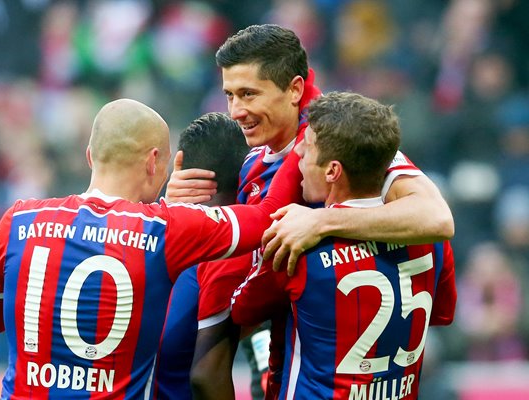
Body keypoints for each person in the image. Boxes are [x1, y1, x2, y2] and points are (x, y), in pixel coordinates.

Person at [165, 24, 454, 400]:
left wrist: (321, 219)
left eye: (248, 94)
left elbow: (438, 218)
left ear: (295, 90)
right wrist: (175, 211)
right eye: (229, 95)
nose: (236, 111)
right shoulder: (253, 164)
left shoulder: (344, 142)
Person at [0, 98, 301, 399]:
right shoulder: (165, 229)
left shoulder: (19, 218)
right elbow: (263, 217)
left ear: (90, 155)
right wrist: (302, 143)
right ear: (154, 162)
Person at [231, 91, 457, 399]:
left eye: (306, 149)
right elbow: (440, 315)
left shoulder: (297, 247)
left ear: (332, 171)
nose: (297, 159)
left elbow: (240, 314)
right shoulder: (431, 241)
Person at [151, 112, 249, 399]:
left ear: (178, 163)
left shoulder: (137, 234)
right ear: (246, 172)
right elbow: (207, 376)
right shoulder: (229, 253)